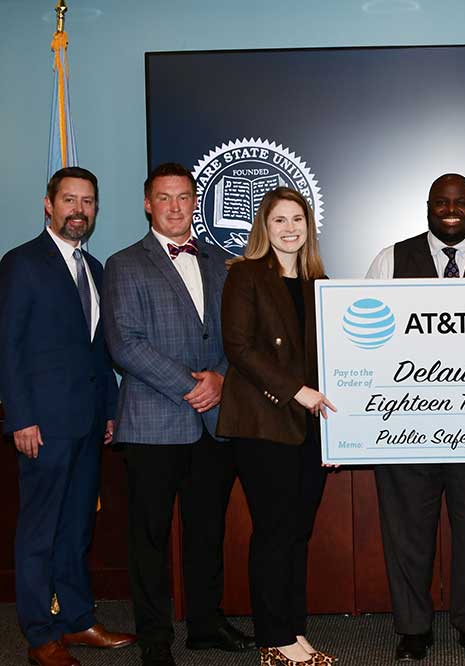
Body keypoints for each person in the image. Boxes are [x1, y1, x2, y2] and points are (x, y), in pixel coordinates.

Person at [365, 173, 465, 661]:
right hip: (405, 426)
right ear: (428, 206)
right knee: (407, 530)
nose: (450, 209)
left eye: (461, 202)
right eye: (442, 202)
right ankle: (413, 628)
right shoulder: (390, 259)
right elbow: (367, 342)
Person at [102, 163, 254, 666]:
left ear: (195, 203)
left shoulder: (219, 262)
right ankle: (155, 637)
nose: (174, 206)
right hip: (152, 421)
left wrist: (223, 378)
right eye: (163, 198)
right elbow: (125, 345)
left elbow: (237, 339)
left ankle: (206, 625)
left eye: (184, 197)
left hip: (214, 423)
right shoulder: (124, 264)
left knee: (207, 529)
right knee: (148, 535)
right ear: (148, 204)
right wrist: (193, 385)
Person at [0, 167, 136, 666]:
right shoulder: (21, 263)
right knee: (39, 531)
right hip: (41, 426)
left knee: (77, 528)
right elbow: (8, 348)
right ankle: (40, 635)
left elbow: (98, 351)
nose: (79, 209)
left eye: (88, 201)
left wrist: (108, 411)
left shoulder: (97, 269)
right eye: (69, 200)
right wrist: (20, 418)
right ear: (48, 204)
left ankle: (77, 621)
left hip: (87, 425)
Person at [216, 187, 337, 666]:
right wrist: (296, 391)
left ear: (309, 228)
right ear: (264, 229)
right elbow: (239, 348)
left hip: (310, 428)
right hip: (265, 424)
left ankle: (293, 629)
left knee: (297, 532)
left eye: (298, 220)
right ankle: (272, 637)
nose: (290, 228)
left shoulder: (319, 281)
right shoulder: (245, 275)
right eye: (279, 220)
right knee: (273, 531)